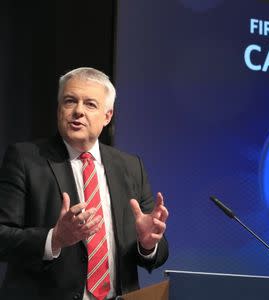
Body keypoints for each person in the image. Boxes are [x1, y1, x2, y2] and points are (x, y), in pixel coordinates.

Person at [0, 67, 169, 299]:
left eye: (90, 104)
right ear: (59, 109)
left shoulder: (130, 167)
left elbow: (157, 256)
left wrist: (148, 244)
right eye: (70, 101)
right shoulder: (25, 159)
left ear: (107, 116)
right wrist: (54, 238)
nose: (78, 111)